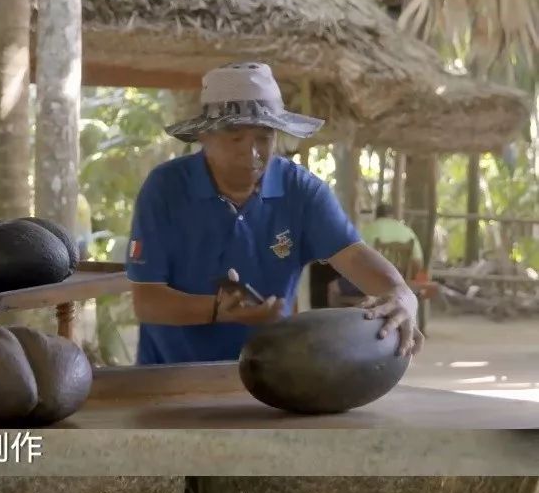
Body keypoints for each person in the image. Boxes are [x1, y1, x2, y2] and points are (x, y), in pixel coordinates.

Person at [125, 62, 423, 365]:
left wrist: (401, 294)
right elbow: (147, 302)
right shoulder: (166, 189)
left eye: (264, 137)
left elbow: (355, 257)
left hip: (271, 374)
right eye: (235, 136)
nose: (252, 152)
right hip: (169, 375)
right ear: (205, 136)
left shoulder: (302, 192)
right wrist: (218, 310)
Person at [330, 203, 424, 304]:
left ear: (376, 216)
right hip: (399, 285)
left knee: (333, 287)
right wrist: (406, 279)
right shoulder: (408, 232)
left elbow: (354, 258)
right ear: (392, 216)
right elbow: (417, 263)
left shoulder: (368, 229)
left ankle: (350, 315)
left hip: (370, 285)